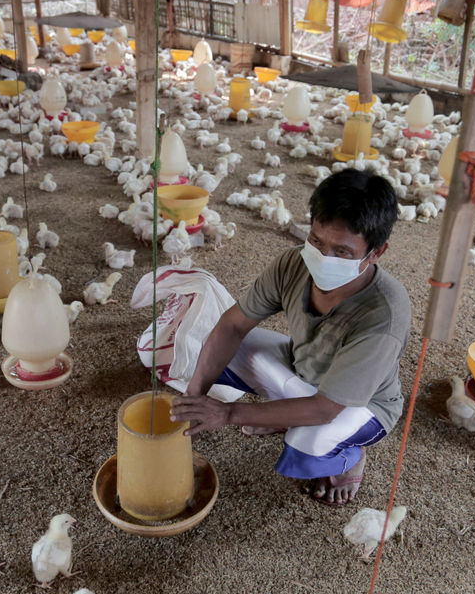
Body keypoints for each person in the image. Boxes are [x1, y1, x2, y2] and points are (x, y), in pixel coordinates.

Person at [170, 169, 410, 506]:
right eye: (316, 241)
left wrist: (226, 413)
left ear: (376, 253)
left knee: (307, 443)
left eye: (341, 252)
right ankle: (285, 416)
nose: (322, 258)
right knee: (227, 344)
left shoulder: (384, 314)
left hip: (361, 405)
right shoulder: (293, 264)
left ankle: (350, 458)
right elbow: (232, 327)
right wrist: (194, 399)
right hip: (304, 370)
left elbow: (326, 408)